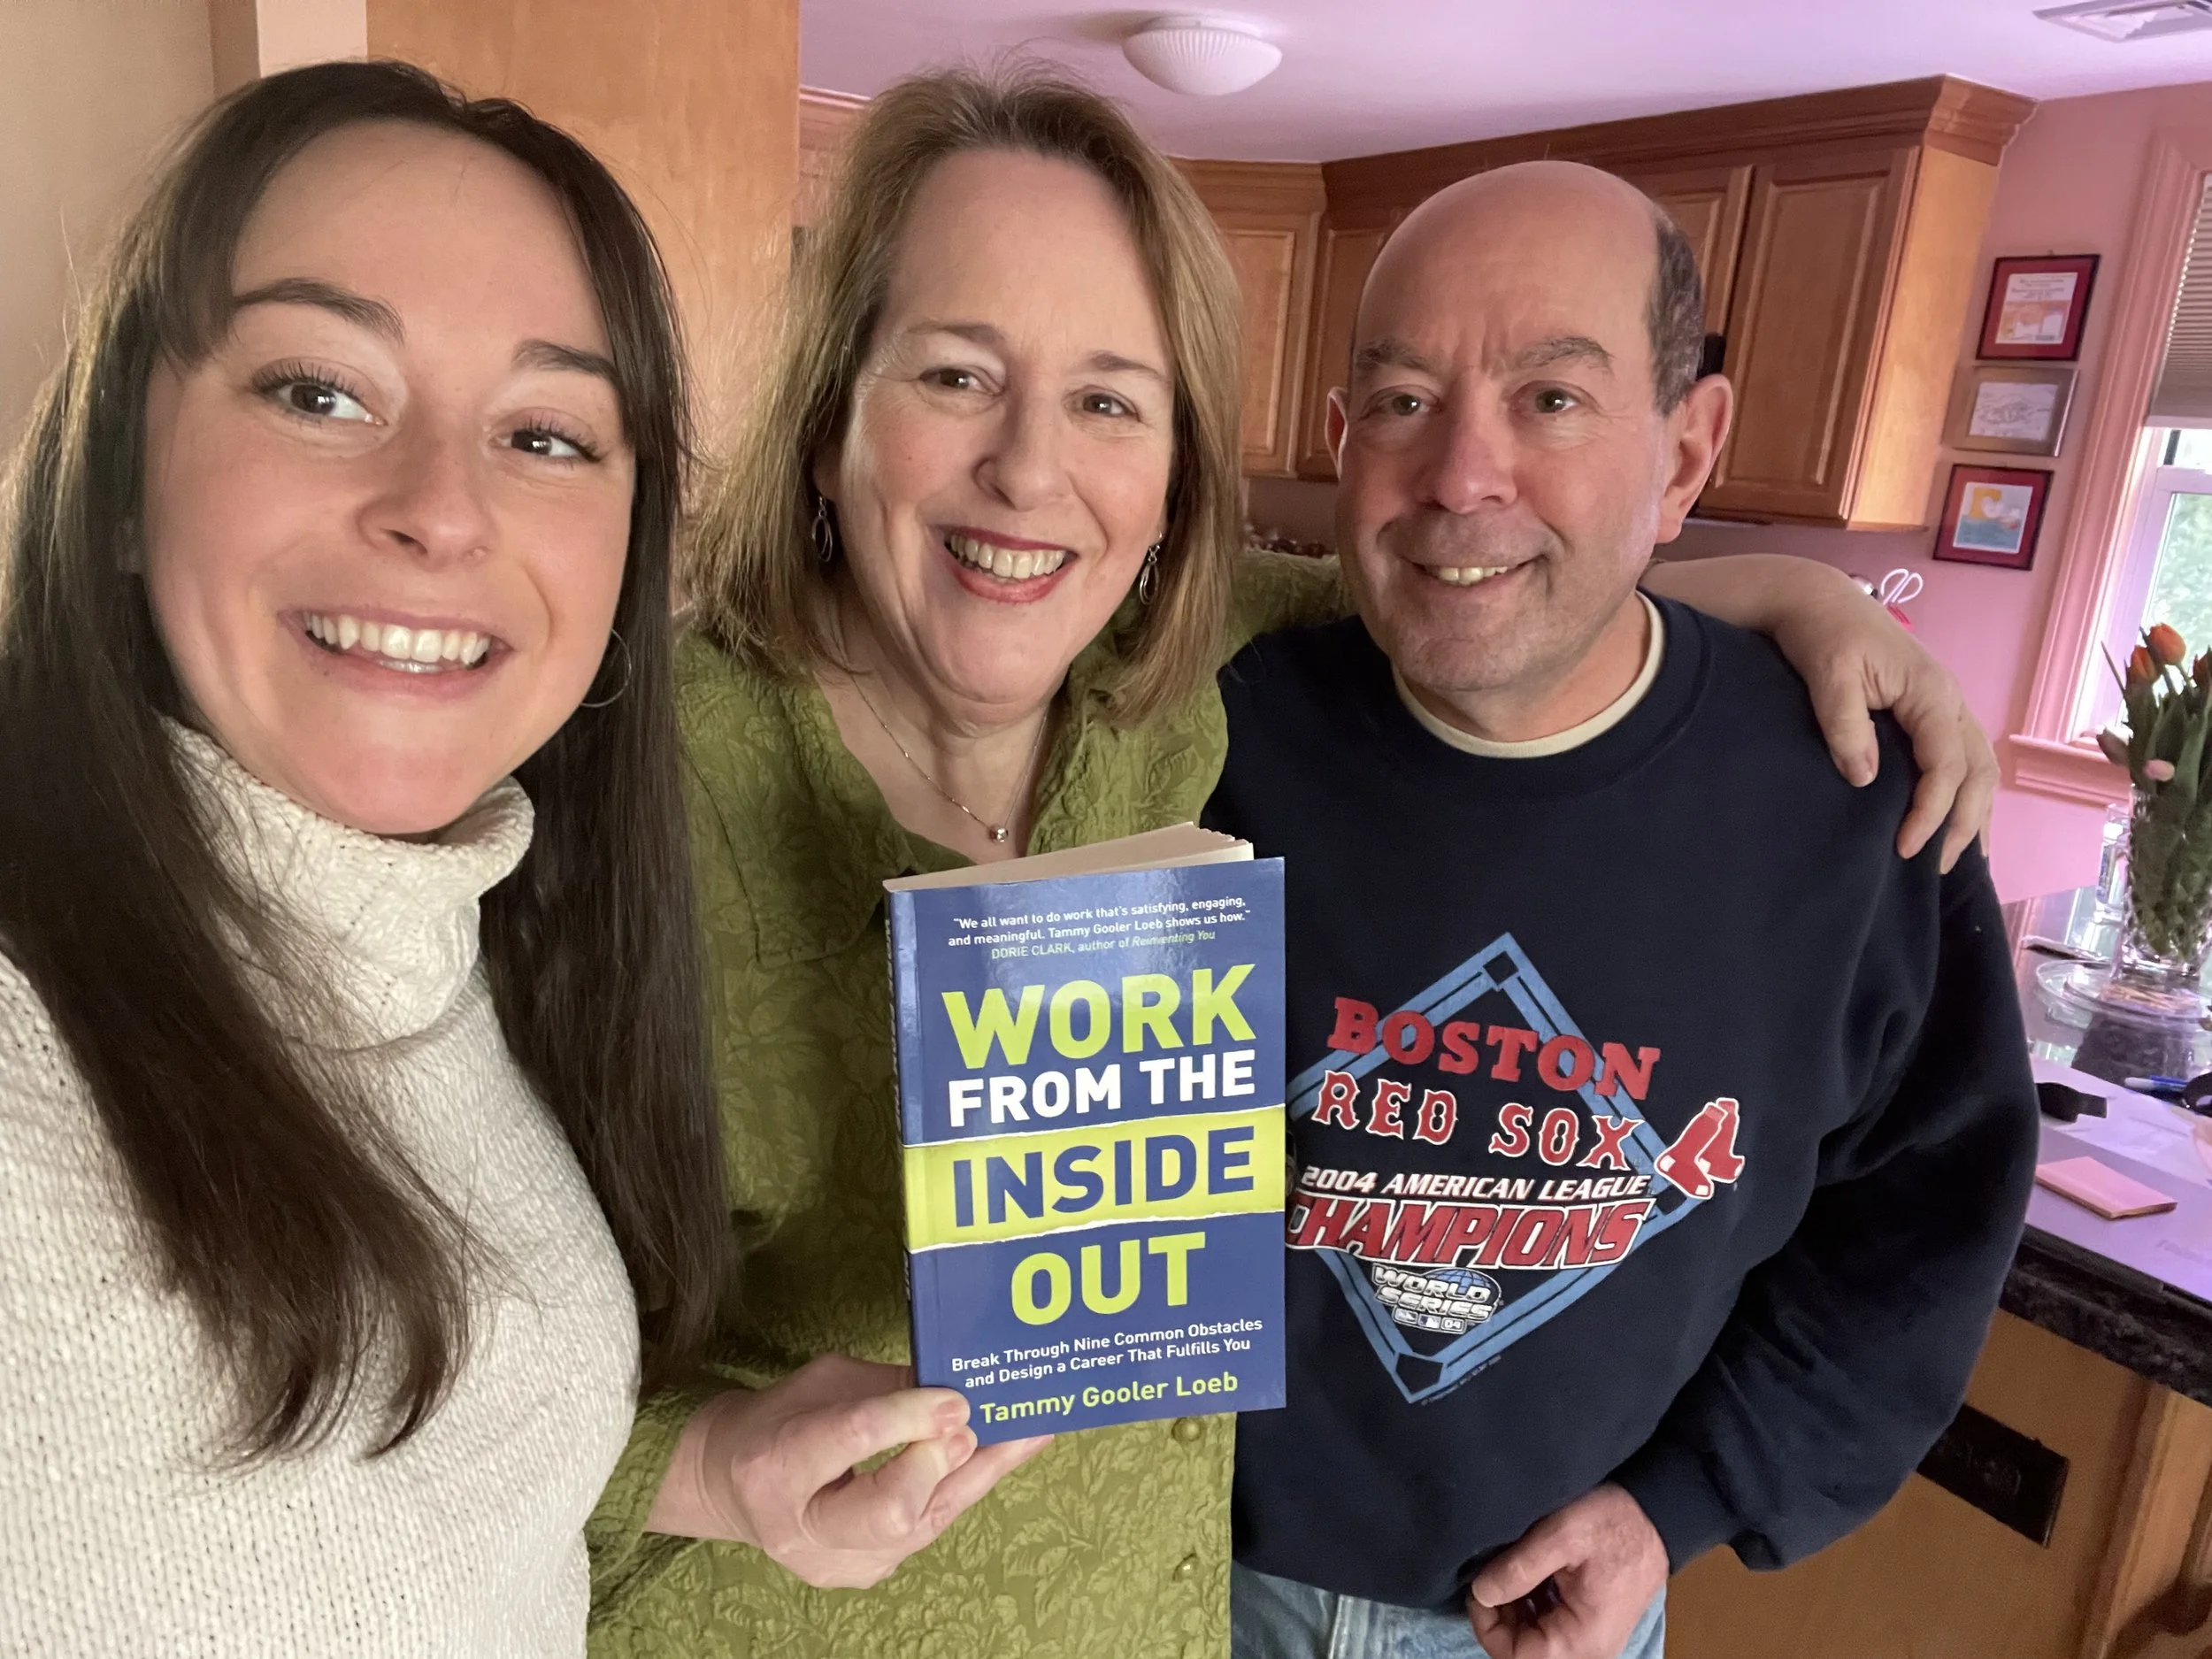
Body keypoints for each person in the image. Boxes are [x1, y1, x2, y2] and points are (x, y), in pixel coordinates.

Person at [586, 71, 2008, 1659]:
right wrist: (705, 1464)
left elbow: (1494, 591)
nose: (1030, 472)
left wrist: (1802, 598)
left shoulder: (1179, 680)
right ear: (830, 405)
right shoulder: (642, 783)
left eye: (1109, 401)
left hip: (1322, 1616)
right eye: (955, 374)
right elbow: (410, 1362)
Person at [0, 61, 947, 1655]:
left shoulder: (472, 932)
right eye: (319, 391)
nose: (441, 509)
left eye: (548, 433)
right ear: (119, 478)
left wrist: (722, 1464)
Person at [1207, 160, 2040, 1659]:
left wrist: (1682, 1501)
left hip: (1540, 1616)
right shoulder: (1208, 732)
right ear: (1339, 442)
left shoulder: (1858, 805)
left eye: (1552, 399)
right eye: (1402, 400)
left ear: (1686, 446)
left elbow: (1921, 1220)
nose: (1461, 474)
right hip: (1177, 1584)